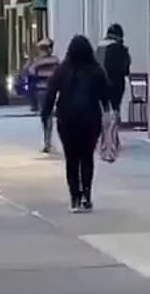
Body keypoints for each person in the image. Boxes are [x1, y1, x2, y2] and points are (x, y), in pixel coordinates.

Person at [40, 34, 111, 213]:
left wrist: (46, 113)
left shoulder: (63, 70)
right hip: (90, 119)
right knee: (87, 157)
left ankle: (75, 198)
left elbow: (51, 93)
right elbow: (105, 95)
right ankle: (86, 195)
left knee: (72, 159)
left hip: (67, 119)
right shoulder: (96, 70)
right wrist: (109, 112)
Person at [97, 23, 131, 122]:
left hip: (100, 84)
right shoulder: (120, 49)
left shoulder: (99, 47)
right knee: (115, 110)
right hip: (115, 84)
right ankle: (113, 133)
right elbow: (125, 70)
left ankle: (105, 132)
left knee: (105, 111)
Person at [31, 38, 60, 152]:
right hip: (52, 90)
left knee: (44, 115)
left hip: (41, 90)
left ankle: (47, 141)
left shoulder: (38, 61)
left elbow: (31, 71)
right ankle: (48, 140)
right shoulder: (55, 60)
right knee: (48, 115)